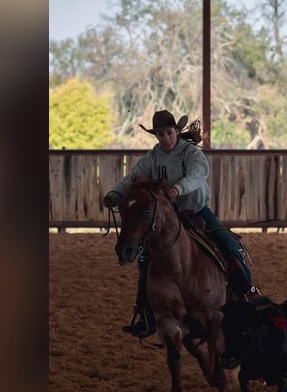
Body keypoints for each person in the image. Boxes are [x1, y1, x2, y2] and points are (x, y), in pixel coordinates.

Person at [104, 109, 259, 338]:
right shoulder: (152, 158)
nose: (165, 138)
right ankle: (145, 311)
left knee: (229, 244)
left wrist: (180, 188)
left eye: (168, 132)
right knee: (145, 258)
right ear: (156, 136)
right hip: (167, 218)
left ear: (176, 131)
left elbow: (199, 174)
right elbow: (132, 179)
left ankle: (250, 293)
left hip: (196, 210)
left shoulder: (190, 153)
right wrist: (116, 194)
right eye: (160, 134)